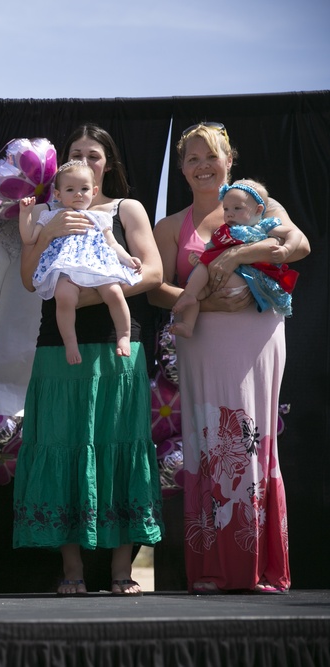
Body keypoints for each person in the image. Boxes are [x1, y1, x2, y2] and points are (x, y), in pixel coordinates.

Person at [150, 122, 309, 594]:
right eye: (192, 158)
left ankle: (261, 568)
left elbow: (298, 245)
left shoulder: (260, 207)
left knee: (253, 440)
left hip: (257, 337)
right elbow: (157, 289)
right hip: (203, 340)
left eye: (211, 156)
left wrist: (233, 258)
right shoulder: (170, 225)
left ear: (229, 160)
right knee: (209, 442)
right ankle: (213, 570)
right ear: (181, 168)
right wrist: (212, 299)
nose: (202, 165)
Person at [12, 124, 164, 597]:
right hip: (60, 350)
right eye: (75, 155)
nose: (85, 161)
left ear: (107, 167)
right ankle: (72, 570)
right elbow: (26, 278)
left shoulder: (125, 209)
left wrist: (91, 295)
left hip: (120, 346)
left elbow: (153, 272)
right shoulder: (50, 213)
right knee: (62, 445)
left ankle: (123, 572)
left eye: (93, 155)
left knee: (121, 445)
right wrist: (47, 232)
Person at [19, 160, 142, 364]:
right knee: (64, 297)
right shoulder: (50, 216)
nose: (78, 194)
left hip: (97, 267)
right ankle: (70, 342)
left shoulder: (101, 217)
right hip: (66, 271)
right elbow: (29, 239)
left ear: (94, 191)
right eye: (70, 189)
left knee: (115, 293)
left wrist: (128, 259)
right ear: (58, 194)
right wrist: (25, 215)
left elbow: (112, 244)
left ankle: (124, 335)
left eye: (84, 189)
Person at [170, 178, 300, 338]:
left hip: (247, 281)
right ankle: (188, 323)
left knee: (204, 272)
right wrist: (199, 259)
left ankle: (191, 297)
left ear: (258, 210)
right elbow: (210, 252)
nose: (229, 213)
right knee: (198, 283)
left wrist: (286, 249)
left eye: (237, 208)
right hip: (216, 286)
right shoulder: (224, 231)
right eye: (226, 209)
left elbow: (294, 234)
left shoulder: (264, 226)